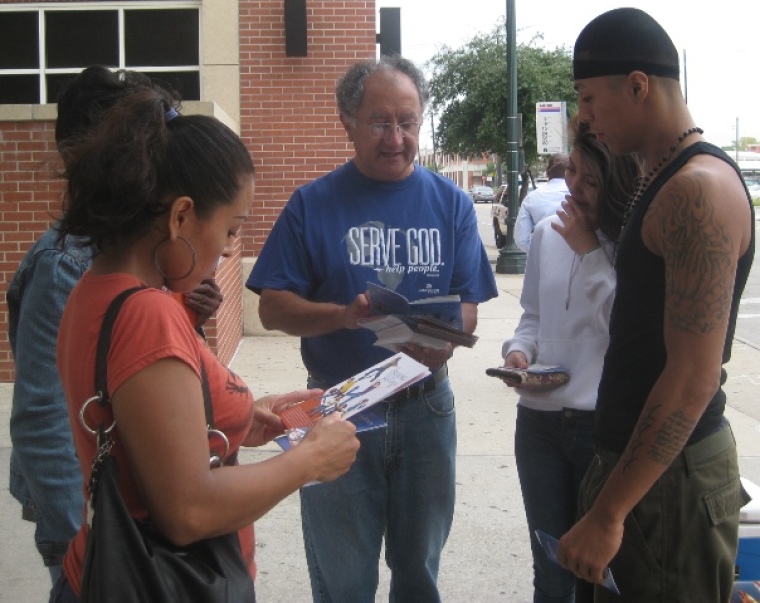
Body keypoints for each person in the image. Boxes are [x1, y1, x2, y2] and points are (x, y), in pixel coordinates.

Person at [50, 82, 360, 602]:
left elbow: (149, 427)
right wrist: (307, 461)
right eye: (232, 228)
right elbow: (188, 510)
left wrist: (239, 418)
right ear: (180, 217)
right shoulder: (147, 313)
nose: (228, 248)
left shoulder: (96, 290)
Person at [246, 55, 498, 602]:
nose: (396, 138)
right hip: (338, 408)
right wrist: (342, 315)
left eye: (408, 122)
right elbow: (272, 307)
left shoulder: (451, 204)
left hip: (427, 408)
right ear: (348, 121)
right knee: (343, 580)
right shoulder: (312, 204)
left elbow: (469, 305)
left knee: (419, 575)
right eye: (381, 122)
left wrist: (441, 344)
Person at [558, 8, 755, 602]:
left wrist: (609, 512)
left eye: (590, 99)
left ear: (638, 85)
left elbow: (693, 375)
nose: (585, 119)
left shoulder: (698, 189)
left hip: (670, 485)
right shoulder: (659, 177)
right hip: (643, 475)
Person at [6, 66, 224, 585]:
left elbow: (122, 364)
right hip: (97, 527)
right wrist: (88, 543)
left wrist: (186, 317)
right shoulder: (66, 264)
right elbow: (43, 415)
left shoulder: (130, 253)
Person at [499, 120, 638, 603]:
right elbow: (533, 316)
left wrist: (592, 252)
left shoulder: (634, 243)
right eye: (573, 170)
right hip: (537, 423)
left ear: (616, 185)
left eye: (592, 180)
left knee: (600, 572)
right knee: (551, 569)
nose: (575, 186)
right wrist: (519, 353)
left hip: (599, 429)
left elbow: (627, 328)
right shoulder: (545, 232)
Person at [514, 153, 570, 252]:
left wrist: (540, 252)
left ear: (547, 172)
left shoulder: (531, 198)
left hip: (544, 261)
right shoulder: (580, 195)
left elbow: (521, 239)